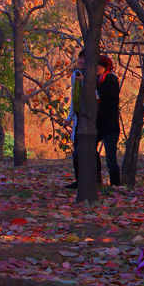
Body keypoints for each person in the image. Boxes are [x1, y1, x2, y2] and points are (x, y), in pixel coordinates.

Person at [65, 50, 100, 189]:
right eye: (79, 58)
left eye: (83, 59)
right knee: (77, 149)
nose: (80, 61)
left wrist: (85, 82)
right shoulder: (76, 74)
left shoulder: (93, 75)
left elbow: (96, 95)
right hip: (79, 115)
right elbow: (75, 97)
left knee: (90, 149)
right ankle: (79, 180)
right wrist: (69, 117)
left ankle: (94, 180)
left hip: (91, 116)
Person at [96, 55, 121, 186]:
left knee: (111, 157)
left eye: (98, 66)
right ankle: (96, 179)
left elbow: (110, 100)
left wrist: (98, 98)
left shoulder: (111, 79)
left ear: (104, 67)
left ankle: (116, 183)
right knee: (90, 150)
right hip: (99, 124)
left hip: (110, 124)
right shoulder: (97, 79)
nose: (95, 68)